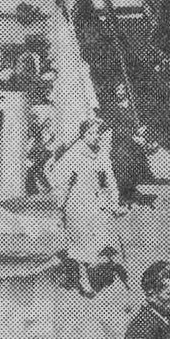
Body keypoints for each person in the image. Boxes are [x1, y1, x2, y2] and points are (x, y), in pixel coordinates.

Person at [49, 115, 129, 298]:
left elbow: (110, 180)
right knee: (81, 244)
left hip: (96, 205)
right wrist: (60, 208)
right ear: (83, 135)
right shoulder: (74, 155)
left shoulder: (100, 154)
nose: (96, 136)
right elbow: (62, 182)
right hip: (77, 205)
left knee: (103, 240)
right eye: (92, 133)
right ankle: (83, 281)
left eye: (98, 133)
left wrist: (114, 203)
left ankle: (101, 271)